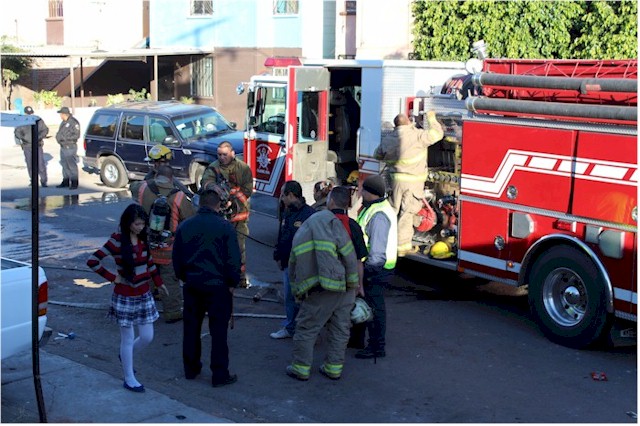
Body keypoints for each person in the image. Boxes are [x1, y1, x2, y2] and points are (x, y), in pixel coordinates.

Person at [86, 203, 169, 392]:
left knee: (147, 336)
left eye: (143, 224)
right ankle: (129, 376)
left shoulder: (142, 239)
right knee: (128, 338)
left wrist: (159, 283)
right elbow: (92, 261)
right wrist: (113, 278)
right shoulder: (116, 241)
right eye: (137, 224)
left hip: (144, 294)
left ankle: (126, 357)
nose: (141, 228)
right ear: (128, 223)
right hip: (124, 295)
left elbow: (150, 263)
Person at [285, 194, 359, 381]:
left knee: (307, 328)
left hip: (320, 290)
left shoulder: (302, 232)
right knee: (340, 329)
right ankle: (333, 368)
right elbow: (350, 256)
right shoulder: (335, 225)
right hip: (343, 288)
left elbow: (293, 268)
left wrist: (297, 293)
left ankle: (300, 368)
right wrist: (353, 285)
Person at [172, 189, 241, 387]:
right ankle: (219, 375)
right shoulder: (225, 227)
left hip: (193, 285)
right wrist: (232, 283)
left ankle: (191, 369)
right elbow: (233, 260)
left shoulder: (185, 226)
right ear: (218, 205)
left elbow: (177, 259)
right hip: (218, 288)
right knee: (219, 331)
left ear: (199, 204)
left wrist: (184, 277)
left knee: (191, 328)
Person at [130, 165, 196, 323]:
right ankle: (172, 312)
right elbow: (189, 220)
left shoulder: (142, 188)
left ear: (156, 175)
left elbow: (132, 187)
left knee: (145, 276)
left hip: (144, 244)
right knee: (169, 280)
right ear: (171, 178)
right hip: (167, 247)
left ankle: (141, 309)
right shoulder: (179, 196)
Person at [374, 111, 443, 257]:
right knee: (407, 214)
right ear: (408, 122)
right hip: (413, 183)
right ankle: (402, 249)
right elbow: (438, 134)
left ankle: (386, 241)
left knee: (393, 211)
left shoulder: (389, 138)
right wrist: (431, 118)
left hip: (395, 182)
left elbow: (377, 155)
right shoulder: (417, 135)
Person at [354, 174, 398, 359]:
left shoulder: (379, 215)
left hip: (376, 269)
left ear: (371, 192)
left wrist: (369, 272)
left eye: (363, 189)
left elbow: (377, 250)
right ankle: (357, 340)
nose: (360, 192)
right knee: (365, 304)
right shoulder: (373, 207)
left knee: (374, 308)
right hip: (373, 267)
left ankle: (376, 346)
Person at [200, 141, 253, 288]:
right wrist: (214, 189)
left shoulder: (242, 168)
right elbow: (205, 183)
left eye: (224, 154)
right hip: (219, 218)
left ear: (232, 154)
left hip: (239, 218)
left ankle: (240, 279)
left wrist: (232, 201)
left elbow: (248, 190)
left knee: (239, 249)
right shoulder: (213, 168)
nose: (221, 157)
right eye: (219, 155)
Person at [270, 180, 316, 339]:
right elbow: (282, 235)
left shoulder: (309, 214)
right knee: (290, 297)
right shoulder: (287, 211)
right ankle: (291, 327)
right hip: (287, 263)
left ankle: (303, 329)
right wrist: (277, 255)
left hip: (302, 266)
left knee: (302, 299)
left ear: (291, 195)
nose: (281, 198)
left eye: (283, 195)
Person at [327, 186, 369, 349]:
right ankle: (351, 343)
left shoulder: (320, 222)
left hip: (324, 279)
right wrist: (360, 286)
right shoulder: (353, 226)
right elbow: (359, 260)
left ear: (331, 201)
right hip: (346, 281)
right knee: (345, 315)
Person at [14, 106, 49, 187]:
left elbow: (45, 130)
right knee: (30, 164)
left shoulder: (38, 120)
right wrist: (23, 138)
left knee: (40, 164)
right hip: (27, 146)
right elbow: (17, 132)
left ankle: (43, 181)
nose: (29, 115)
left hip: (37, 145)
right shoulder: (21, 121)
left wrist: (38, 137)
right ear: (25, 113)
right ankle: (33, 181)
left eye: (31, 113)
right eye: (28, 114)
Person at [55, 106, 81, 190]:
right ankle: (65, 181)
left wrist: (65, 139)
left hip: (70, 146)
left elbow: (76, 135)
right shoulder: (63, 122)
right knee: (64, 165)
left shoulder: (74, 122)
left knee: (71, 165)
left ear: (64, 114)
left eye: (61, 114)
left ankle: (74, 182)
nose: (60, 116)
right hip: (63, 146)